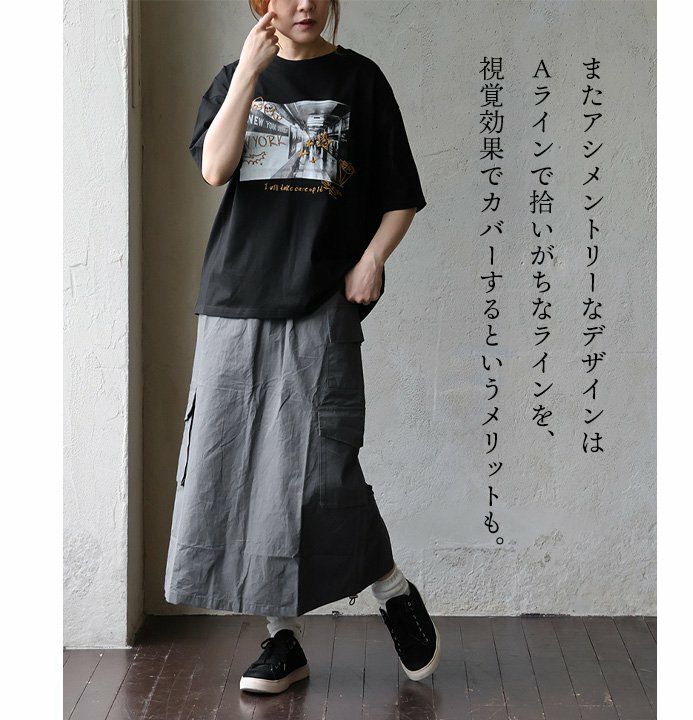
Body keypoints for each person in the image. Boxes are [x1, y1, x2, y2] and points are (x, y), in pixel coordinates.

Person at [163, 0, 441, 694]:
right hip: (234, 298)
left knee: (320, 466)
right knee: (238, 468)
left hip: (321, 299)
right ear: (263, 4)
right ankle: (280, 638)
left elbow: (400, 194)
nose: (304, 5)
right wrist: (248, 74)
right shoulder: (237, 76)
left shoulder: (361, 80)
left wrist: (372, 258)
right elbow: (215, 167)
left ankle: (389, 585)